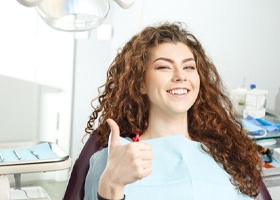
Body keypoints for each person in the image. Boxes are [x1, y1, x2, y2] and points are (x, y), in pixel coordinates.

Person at [83, 21, 262, 200]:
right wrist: (111, 185)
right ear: (140, 83)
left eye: (189, 67)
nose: (180, 76)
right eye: (164, 67)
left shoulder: (227, 155)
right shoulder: (113, 160)